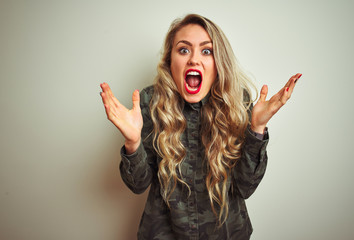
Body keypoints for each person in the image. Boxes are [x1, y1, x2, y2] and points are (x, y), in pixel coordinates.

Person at [100, 13, 301, 240]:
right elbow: (138, 185)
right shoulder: (150, 103)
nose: (194, 59)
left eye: (206, 51)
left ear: (218, 63)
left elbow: (246, 188)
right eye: (183, 50)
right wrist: (132, 143)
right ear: (170, 61)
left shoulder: (238, 104)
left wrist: (257, 129)